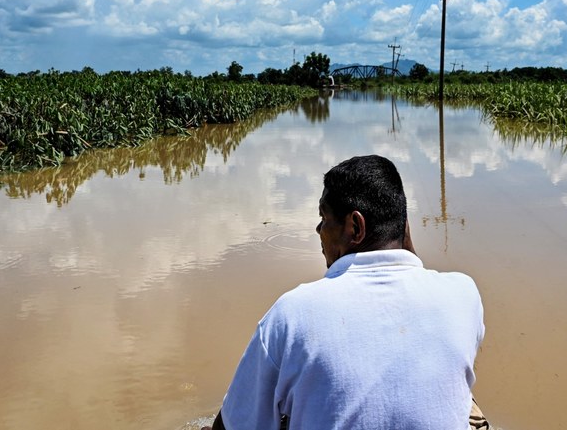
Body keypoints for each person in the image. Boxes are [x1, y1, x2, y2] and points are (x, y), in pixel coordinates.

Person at [202, 154, 486, 430]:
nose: (319, 230)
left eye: (324, 218)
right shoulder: (463, 294)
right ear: (404, 227)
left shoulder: (291, 314)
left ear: (355, 227)